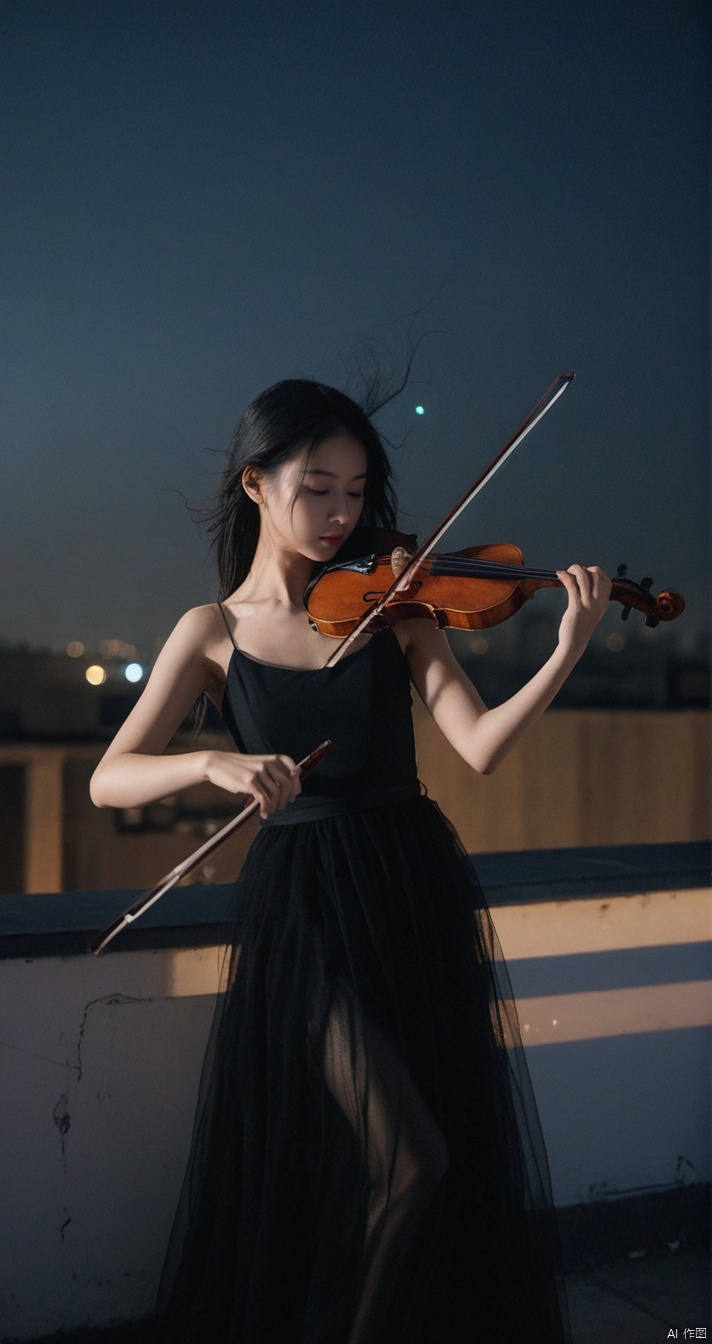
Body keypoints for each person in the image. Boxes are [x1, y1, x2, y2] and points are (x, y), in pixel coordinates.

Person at [90, 378, 611, 1343]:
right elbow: (108, 779)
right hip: (304, 908)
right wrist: (210, 760)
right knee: (411, 1158)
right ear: (256, 484)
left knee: (406, 1160)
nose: (341, 515)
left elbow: (481, 746)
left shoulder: (401, 608)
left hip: (406, 886)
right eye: (316, 487)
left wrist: (566, 645)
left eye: (357, 491)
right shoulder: (211, 633)